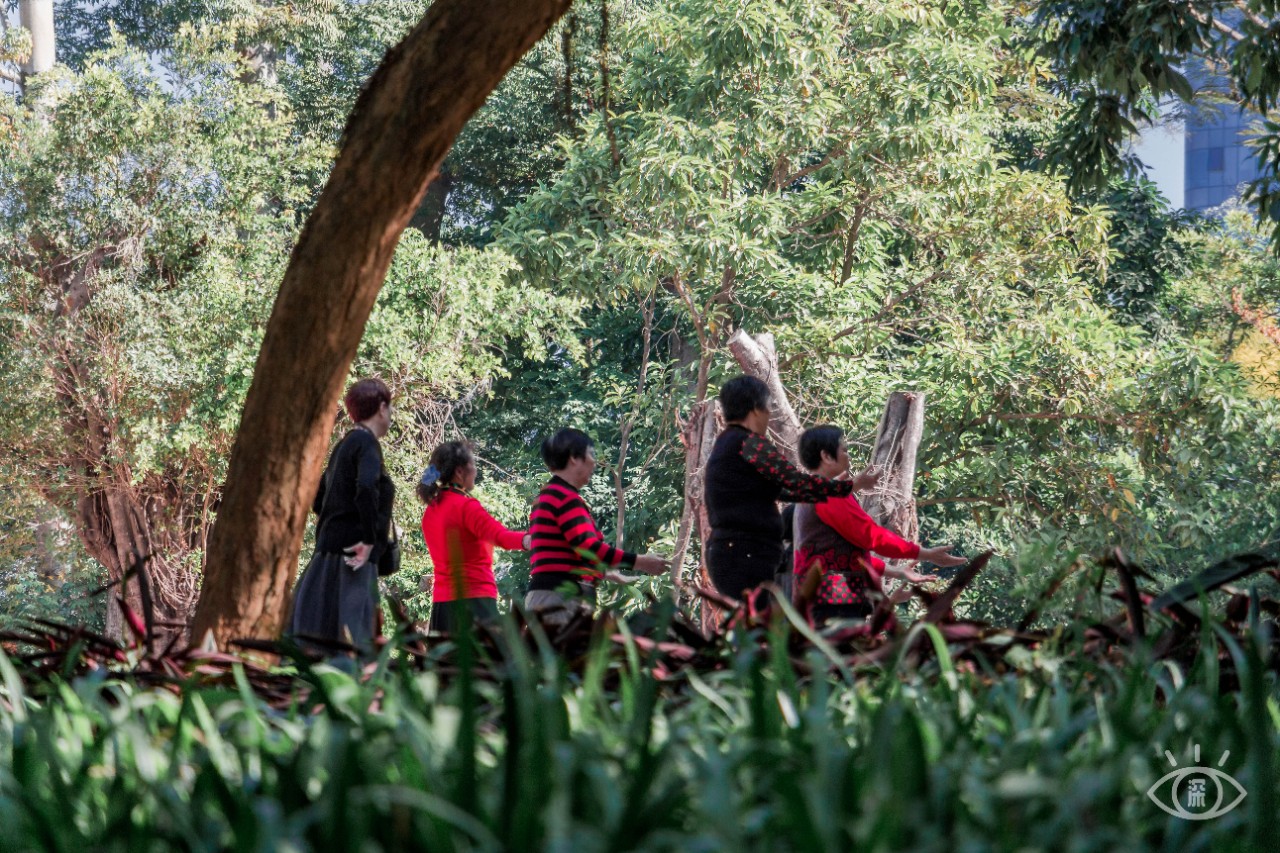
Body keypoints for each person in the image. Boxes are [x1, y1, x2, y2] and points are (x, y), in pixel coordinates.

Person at [704, 376, 872, 601]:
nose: (769, 415)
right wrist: (849, 486)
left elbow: (784, 490)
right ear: (756, 409)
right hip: (748, 554)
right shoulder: (749, 443)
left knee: (757, 625)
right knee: (769, 627)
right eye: (769, 408)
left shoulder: (725, 444)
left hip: (726, 552)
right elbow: (794, 481)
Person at [795, 424, 965, 624]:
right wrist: (925, 554)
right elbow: (871, 536)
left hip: (826, 599)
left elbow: (847, 552)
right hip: (833, 602)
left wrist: (896, 571)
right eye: (844, 450)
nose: (848, 457)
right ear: (826, 456)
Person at [289, 377, 396, 652]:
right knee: (353, 642)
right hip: (354, 557)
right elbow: (366, 488)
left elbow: (318, 499)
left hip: (329, 554)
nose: (391, 415)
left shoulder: (344, 445)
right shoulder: (367, 444)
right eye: (390, 408)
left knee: (321, 638)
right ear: (382, 408)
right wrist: (369, 539)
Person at [525, 428, 668, 624]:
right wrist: (641, 562)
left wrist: (608, 574)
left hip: (550, 597)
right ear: (574, 458)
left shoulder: (547, 496)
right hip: (560, 601)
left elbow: (563, 554)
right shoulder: (565, 498)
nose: (594, 462)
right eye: (591, 454)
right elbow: (589, 548)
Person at [418, 440, 530, 633]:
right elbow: (500, 536)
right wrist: (531, 540)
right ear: (460, 472)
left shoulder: (431, 511)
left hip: (442, 608)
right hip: (475, 604)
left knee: (447, 663)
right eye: (473, 466)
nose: (476, 472)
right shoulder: (466, 507)